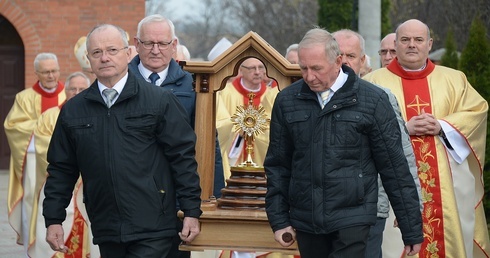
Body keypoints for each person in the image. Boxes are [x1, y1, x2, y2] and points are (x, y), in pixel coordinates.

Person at [43, 24, 202, 258]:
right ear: (89, 59)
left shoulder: (159, 101)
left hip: (154, 225)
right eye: (97, 52)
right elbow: (61, 169)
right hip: (106, 226)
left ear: (128, 54)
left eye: (112, 50)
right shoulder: (74, 111)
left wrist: (191, 211)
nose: (105, 58)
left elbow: (183, 157)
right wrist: (54, 219)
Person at [264, 27, 423, 258]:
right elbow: (278, 165)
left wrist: (411, 228)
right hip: (308, 219)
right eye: (303, 68)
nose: (309, 76)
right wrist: (279, 220)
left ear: (338, 61)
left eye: (317, 68)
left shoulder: (373, 100)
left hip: (354, 217)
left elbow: (394, 167)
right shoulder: (288, 100)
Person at [363, 19, 490, 258]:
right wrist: (401, 129)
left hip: (447, 183)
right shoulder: (372, 83)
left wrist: (442, 126)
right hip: (391, 183)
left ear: (429, 44)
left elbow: (477, 111)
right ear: (396, 44)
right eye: (405, 40)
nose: (412, 45)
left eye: (418, 40)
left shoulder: (454, 79)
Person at [128, 15, 224, 257]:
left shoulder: (193, 87)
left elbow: (207, 145)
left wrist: (212, 200)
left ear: (174, 44)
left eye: (163, 43)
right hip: (130, 198)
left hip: (176, 199)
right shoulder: (121, 83)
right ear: (137, 44)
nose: (155, 50)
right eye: (149, 43)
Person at [333, 28, 422, 258]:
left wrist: (411, 212)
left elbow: (401, 158)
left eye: (351, 56)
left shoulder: (381, 97)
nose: (343, 62)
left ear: (362, 61)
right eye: (337, 55)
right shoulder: (309, 99)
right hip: (320, 212)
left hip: (369, 210)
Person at [29, 71, 98, 257]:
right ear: (65, 91)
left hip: (89, 184)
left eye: (81, 89)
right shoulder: (50, 116)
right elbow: (44, 148)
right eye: (72, 89)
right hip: (64, 182)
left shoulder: (97, 113)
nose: (76, 92)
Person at [3, 52, 66, 254]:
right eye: (46, 72)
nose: (51, 75)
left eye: (54, 71)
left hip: (66, 160)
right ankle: (36, 244)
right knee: (34, 199)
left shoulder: (69, 95)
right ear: (36, 73)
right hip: (33, 162)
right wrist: (43, 127)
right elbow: (13, 126)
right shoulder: (24, 98)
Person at [216, 57, 279, 180]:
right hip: (233, 155)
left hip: (261, 159)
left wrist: (257, 131)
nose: (257, 72)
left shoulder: (272, 95)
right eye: (251, 68)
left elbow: (274, 128)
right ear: (241, 70)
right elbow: (221, 123)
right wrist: (239, 129)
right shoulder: (225, 92)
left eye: (261, 67)